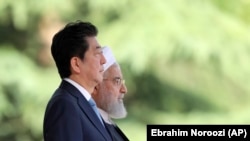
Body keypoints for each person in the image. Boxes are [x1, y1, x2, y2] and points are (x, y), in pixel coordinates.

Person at [43, 21, 113, 141]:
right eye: (97, 53)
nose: (104, 60)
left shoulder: (85, 104)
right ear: (76, 64)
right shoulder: (64, 105)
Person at [92, 46, 129, 141]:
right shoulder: (90, 127)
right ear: (96, 86)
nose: (124, 89)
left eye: (122, 82)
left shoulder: (105, 122)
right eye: (117, 81)